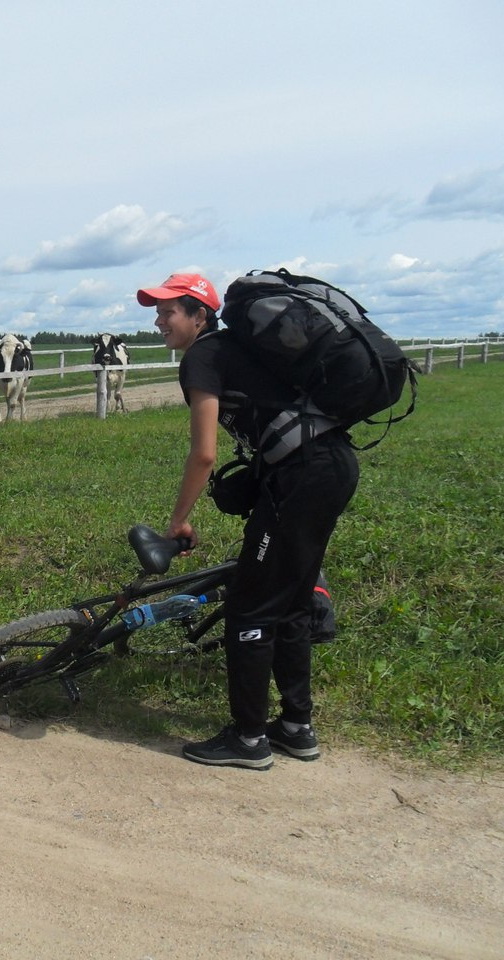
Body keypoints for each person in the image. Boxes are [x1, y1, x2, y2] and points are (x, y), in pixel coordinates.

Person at [136, 272, 359, 770]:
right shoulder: (236, 349)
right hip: (332, 467)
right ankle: (296, 728)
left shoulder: (204, 356)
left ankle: (249, 739)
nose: (158, 320)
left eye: (168, 311)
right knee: (293, 604)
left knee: (251, 607)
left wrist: (177, 522)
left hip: (303, 475)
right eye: (157, 310)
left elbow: (204, 454)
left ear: (199, 314)